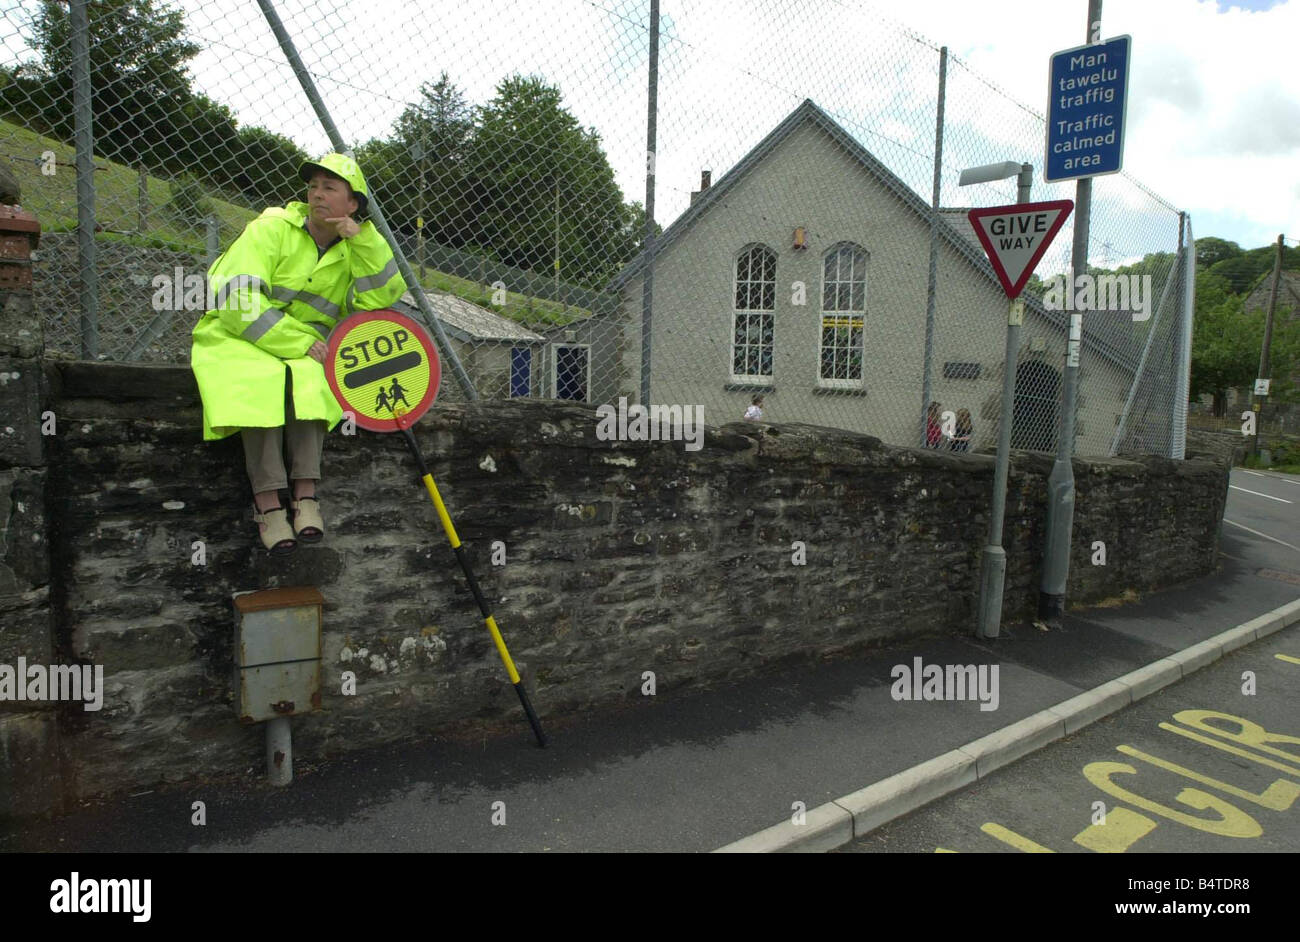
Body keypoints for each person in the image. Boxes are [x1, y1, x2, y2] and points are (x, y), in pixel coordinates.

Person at [190, 153, 405, 554]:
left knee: (309, 382)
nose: (317, 195)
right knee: (259, 382)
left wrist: (366, 240)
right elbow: (237, 298)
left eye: (330, 188)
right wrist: (296, 341)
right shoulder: (271, 227)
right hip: (237, 337)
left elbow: (381, 297)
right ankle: (269, 504)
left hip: (300, 346)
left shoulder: (353, 250)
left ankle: (305, 496)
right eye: (313, 187)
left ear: (353, 203)